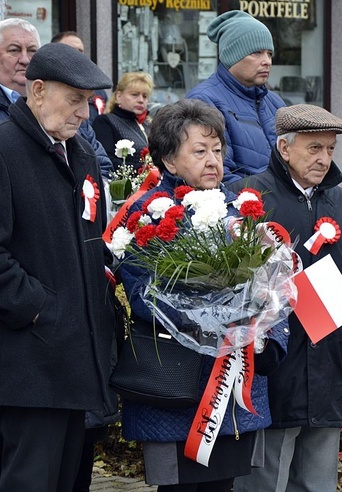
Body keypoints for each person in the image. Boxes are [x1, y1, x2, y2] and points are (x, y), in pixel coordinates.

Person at [0, 42, 117, 492]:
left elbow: (86, 237)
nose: (85, 112)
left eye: (89, 101)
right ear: (37, 91)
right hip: (28, 365)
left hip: (75, 359)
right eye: (75, 99)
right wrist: (41, 308)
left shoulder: (77, 153)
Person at [118, 98, 289, 491]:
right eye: (199, 151)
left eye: (217, 150)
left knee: (223, 485)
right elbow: (145, 294)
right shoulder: (148, 215)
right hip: (177, 381)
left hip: (234, 378)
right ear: (168, 160)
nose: (213, 160)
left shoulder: (241, 210)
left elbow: (275, 286)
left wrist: (266, 331)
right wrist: (214, 318)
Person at [230, 104, 342, 492]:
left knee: (318, 483)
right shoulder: (249, 199)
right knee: (265, 482)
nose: (324, 158)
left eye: (330, 149)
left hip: (329, 363)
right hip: (274, 367)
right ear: (284, 148)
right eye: (314, 148)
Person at [0, 19, 113, 180]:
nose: (25, 60)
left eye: (32, 51)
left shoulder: (68, 106)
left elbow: (101, 167)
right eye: (14, 50)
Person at [186, 10, 285, 184]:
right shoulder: (204, 101)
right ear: (233, 56)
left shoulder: (274, 101)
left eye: (269, 53)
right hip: (244, 206)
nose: (267, 61)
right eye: (257, 53)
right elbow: (217, 177)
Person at [92, 71, 152, 173]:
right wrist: (143, 169)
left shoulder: (148, 124)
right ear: (118, 96)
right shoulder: (105, 122)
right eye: (135, 95)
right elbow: (106, 160)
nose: (141, 100)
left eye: (145, 96)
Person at [51, 31, 108, 124]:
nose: (77, 55)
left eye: (80, 51)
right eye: (71, 50)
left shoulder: (97, 91)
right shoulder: (46, 86)